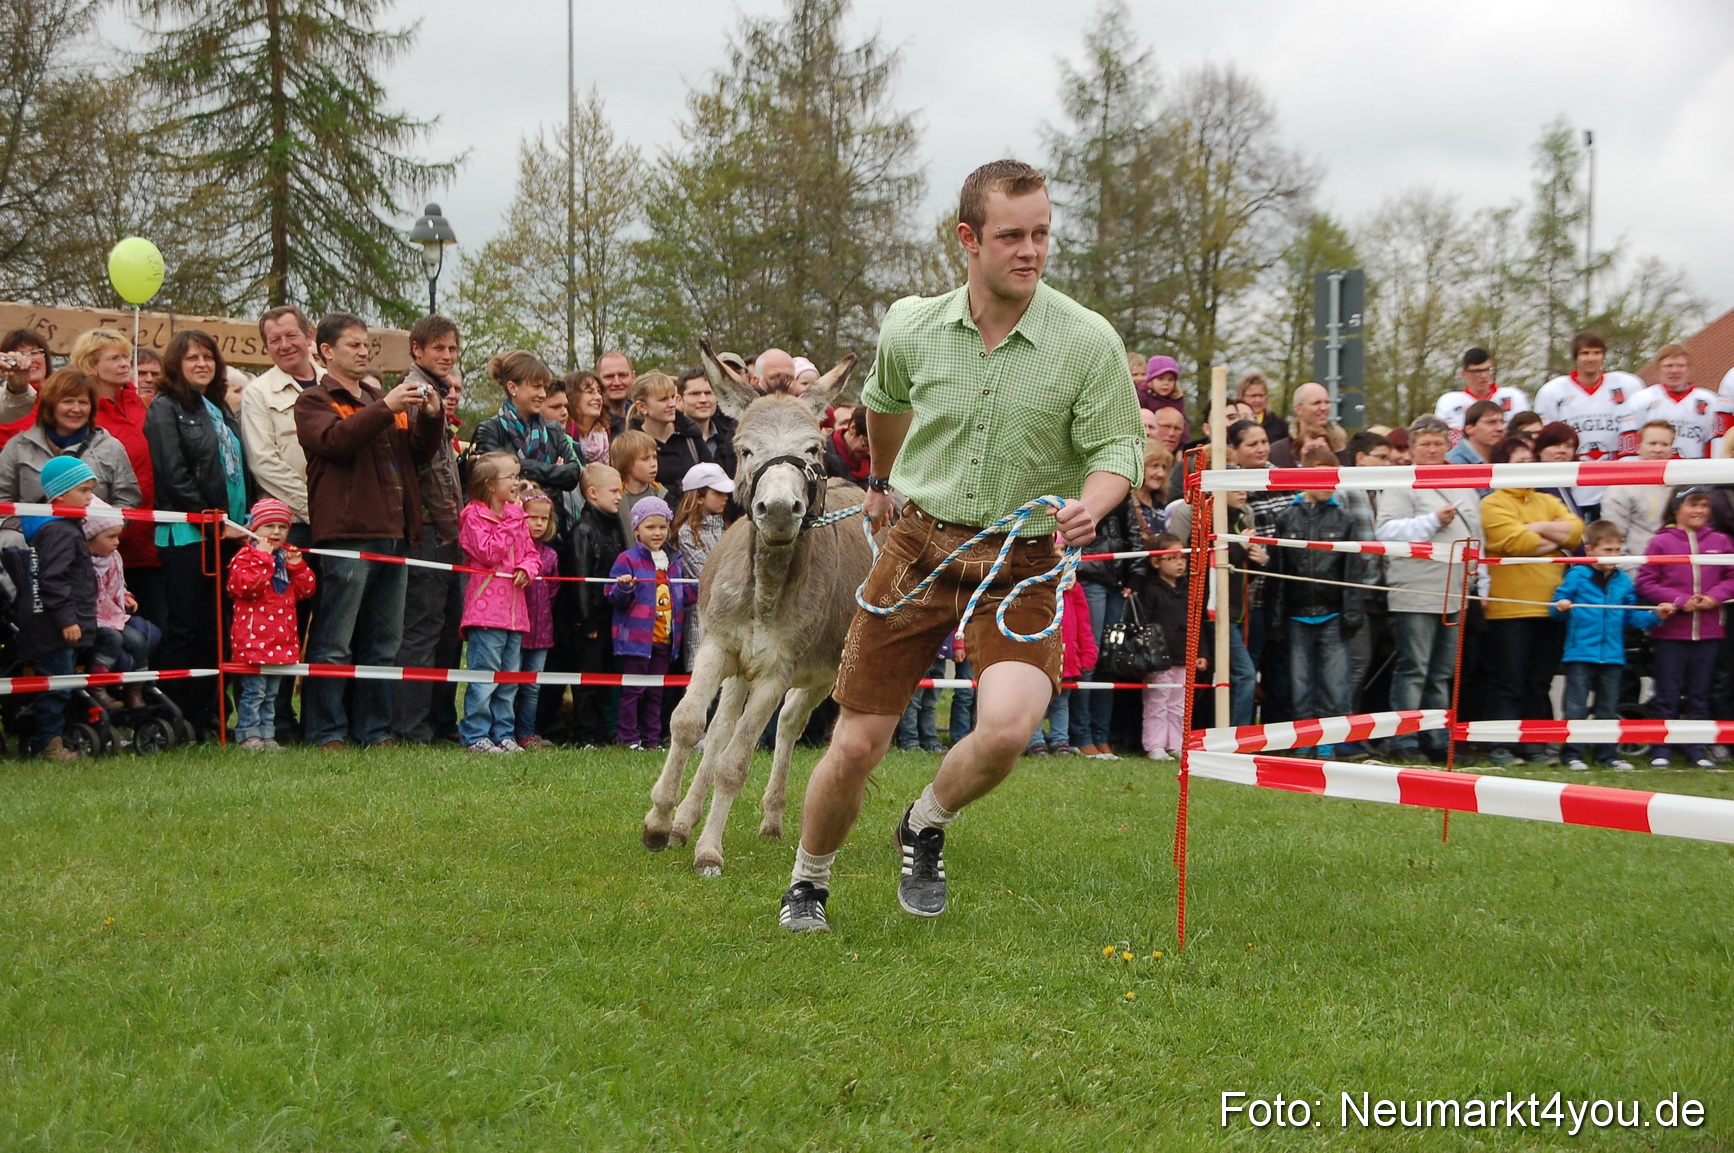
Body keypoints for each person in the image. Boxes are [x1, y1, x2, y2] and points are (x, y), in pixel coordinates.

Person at [778, 159, 1144, 933]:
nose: (1031, 250)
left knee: (1009, 728)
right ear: (968, 239)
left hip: (1026, 556)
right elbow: (883, 403)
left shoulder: (1088, 341)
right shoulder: (912, 324)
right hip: (919, 546)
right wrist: (877, 478)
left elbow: (1118, 447)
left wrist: (1093, 504)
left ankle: (925, 821)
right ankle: (809, 880)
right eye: (1012, 235)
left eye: (1042, 232)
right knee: (855, 746)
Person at [295, 312, 445, 749]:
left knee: (384, 643)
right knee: (335, 641)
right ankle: (326, 732)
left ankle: (375, 731)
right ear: (326, 351)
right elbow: (335, 443)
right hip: (347, 535)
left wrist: (431, 419)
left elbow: (415, 455)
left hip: (394, 532)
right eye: (353, 345)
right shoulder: (314, 400)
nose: (363, 352)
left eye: (367, 346)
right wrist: (386, 407)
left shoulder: (383, 398)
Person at [145, 329, 251, 737]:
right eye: (192, 358)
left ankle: (211, 713)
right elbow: (172, 475)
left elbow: (237, 469)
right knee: (187, 628)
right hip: (191, 537)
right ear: (176, 364)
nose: (202, 364)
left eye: (208, 357)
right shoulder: (165, 408)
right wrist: (210, 520)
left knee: (217, 631)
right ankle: (180, 714)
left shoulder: (218, 408)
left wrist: (244, 520)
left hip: (230, 534)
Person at [240, 306, 326, 735]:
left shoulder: (337, 380)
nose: (285, 345)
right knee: (289, 621)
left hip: (343, 523)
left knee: (332, 626)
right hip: (294, 523)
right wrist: (313, 505)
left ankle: (325, 717)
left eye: (291, 335)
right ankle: (280, 718)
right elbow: (264, 462)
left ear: (309, 335)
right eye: (275, 340)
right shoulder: (259, 393)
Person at [1375, 415, 1481, 763]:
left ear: (1448, 445)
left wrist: (1479, 573)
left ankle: (1437, 739)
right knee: (1414, 667)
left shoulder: (1463, 481)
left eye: (1438, 444)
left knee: (1441, 672)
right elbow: (1386, 531)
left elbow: (1476, 532)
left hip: (1456, 587)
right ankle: (1404, 739)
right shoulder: (1401, 483)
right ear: (1413, 447)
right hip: (1416, 588)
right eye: (1425, 445)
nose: (1432, 450)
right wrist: (1432, 521)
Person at [1479, 435, 1583, 766]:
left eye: (1529, 461)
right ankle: (1500, 745)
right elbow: (1514, 542)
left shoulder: (1547, 499)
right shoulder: (1492, 504)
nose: (1526, 467)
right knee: (1508, 680)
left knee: (1540, 681)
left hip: (1549, 607)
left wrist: (1535, 528)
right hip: (1508, 609)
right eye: (1518, 462)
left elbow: (1577, 532)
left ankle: (1536, 745)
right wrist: (1549, 536)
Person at [392, 317, 466, 745]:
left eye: (452, 349)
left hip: (448, 528)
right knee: (421, 629)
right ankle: (411, 727)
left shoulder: (439, 394)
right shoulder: (413, 392)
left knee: (446, 631)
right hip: (427, 530)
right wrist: (440, 527)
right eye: (438, 348)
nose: (446, 355)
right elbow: (419, 463)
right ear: (417, 350)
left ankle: (440, 722)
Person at [1267, 445, 1364, 757]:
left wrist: (1352, 614)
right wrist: (1276, 617)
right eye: (1321, 477)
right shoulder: (1286, 518)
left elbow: (1352, 572)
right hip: (1296, 616)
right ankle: (1303, 740)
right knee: (1301, 685)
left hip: (1333, 615)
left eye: (1332, 478)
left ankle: (1328, 744)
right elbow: (1279, 573)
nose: (1327, 486)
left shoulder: (1345, 519)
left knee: (1335, 686)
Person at [10, 458, 104, 760]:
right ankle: (47, 744)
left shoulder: (64, 528)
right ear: (60, 496)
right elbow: (52, 580)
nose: (90, 497)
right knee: (57, 686)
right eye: (84, 490)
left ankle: (59, 735)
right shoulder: (59, 531)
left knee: (63, 682)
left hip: (58, 624)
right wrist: (67, 619)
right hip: (53, 627)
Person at [1550, 520, 1663, 771]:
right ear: (1589, 550)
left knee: (1608, 708)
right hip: (1580, 653)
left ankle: (1607, 756)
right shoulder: (1576, 575)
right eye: (1607, 550)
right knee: (1575, 707)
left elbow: (1631, 616)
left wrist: (1656, 615)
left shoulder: (1623, 581)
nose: (1613, 556)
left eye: (1617, 551)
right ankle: (1572, 754)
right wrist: (1561, 606)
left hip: (1612, 655)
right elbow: (1555, 609)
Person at [1637, 488, 1734, 768]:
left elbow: (1731, 575)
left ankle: (1696, 750)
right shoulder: (1661, 543)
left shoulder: (1720, 541)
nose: (1700, 511)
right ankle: (1661, 750)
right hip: (1671, 634)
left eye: (1704, 505)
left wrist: (1714, 597)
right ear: (1677, 508)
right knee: (1666, 694)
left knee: (1699, 694)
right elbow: (1646, 581)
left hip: (1709, 632)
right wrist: (1679, 601)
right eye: (1693, 505)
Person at [71, 327, 160, 625]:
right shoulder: (81, 410)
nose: (125, 364)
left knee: (158, 620)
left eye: (127, 357)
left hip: (151, 532)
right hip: (104, 539)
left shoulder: (143, 404)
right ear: (91, 364)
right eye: (115, 358)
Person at [457, 451, 540, 754]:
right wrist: (511, 520)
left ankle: (503, 732)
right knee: (485, 676)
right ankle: (475, 733)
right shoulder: (473, 516)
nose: (517, 482)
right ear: (490, 484)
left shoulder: (515, 517)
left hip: (515, 614)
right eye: (510, 477)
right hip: (486, 613)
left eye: (517, 475)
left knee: (509, 679)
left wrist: (527, 569)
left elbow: (531, 554)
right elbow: (488, 553)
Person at [227, 497, 317, 751]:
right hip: (254, 639)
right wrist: (263, 559)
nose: (276, 532)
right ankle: (248, 734)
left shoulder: (285, 558)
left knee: (271, 694)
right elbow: (245, 587)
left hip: (281, 641)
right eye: (269, 526)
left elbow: (306, 590)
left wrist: (298, 568)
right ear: (253, 528)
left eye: (282, 526)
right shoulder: (245, 557)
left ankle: (267, 734)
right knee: (253, 692)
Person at [0, 368, 141, 524]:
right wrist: (24, 533)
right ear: (51, 405)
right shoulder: (18, 447)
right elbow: (3, 497)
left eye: (83, 402)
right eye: (68, 401)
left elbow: (127, 500)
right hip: (29, 544)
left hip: (90, 545)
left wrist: (101, 532)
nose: (76, 409)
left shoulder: (110, 447)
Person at [608, 496, 689, 750]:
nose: (657, 533)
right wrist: (624, 588)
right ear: (636, 529)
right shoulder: (628, 559)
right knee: (633, 691)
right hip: (637, 641)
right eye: (650, 527)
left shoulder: (674, 562)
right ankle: (628, 737)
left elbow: (683, 594)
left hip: (665, 639)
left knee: (657, 691)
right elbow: (611, 595)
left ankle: (652, 739)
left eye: (662, 527)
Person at [1534, 331, 1641, 511]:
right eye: (1585, 353)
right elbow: (1545, 441)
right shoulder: (1552, 392)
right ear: (1575, 357)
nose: (1591, 358)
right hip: (1572, 480)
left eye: (1597, 352)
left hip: (1616, 479)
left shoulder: (1627, 385)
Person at [473, 351, 583, 511]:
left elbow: (573, 474)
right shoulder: (490, 430)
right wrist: (554, 472)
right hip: (507, 525)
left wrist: (519, 467)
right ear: (512, 387)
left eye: (544, 388)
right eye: (536, 387)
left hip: (551, 526)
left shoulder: (553, 429)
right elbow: (495, 480)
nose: (543, 394)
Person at [568, 462, 627, 746]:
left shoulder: (614, 526)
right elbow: (580, 578)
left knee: (608, 674)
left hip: (612, 615)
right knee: (588, 677)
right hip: (589, 620)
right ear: (593, 493)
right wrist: (586, 619)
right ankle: (585, 732)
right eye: (613, 491)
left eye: (621, 491)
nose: (619, 496)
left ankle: (606, 729)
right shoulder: (583, 530)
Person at [82, 502, 157, 709]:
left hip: (114, 614)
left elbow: (118, 583)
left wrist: (125, 596)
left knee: (139, 641)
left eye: (117, 535)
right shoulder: (83, 562)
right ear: (89, 538)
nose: (117, 542)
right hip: (92, 617)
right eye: (110, 537)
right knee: (111, 639)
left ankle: (135, 690)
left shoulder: (114, 558)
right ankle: (98, 687)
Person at [1127, 532, 1190, 760]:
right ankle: (1155, 745)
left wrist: (1201, 652)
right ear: (1156, 562)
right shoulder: (1151, 591)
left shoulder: (1187, 590)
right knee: (1157, 701)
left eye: (1182, 557)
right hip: (1159, 659)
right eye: (1172, 558)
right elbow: (1144, 626)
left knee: (1178, 704)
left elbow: (1196, 622)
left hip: (1183, 655)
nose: (1180, 562)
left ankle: (1175, 742)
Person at [515, 487, 560, 751]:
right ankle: (505, 729)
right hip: (516, 627)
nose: (539, 524)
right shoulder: (515, 552)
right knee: (509, 682)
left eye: (544, 519)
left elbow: (553, 591)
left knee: (532, 686)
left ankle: (527, 732)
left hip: (542, 631)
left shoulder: (551, 556)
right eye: (533, 518)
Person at [1025, 579, 1092, 757]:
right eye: (1056, 549)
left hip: (1067, 655)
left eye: (1064, 549)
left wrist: (1087, 651)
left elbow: (1083, 622)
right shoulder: (1032, 583)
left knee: (1062, 702)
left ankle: (1060, 741)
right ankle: (1036, 741)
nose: (1060, 554)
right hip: (1040, 653)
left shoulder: (1074, 588)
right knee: (1037, 700)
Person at [626, 372, 708, 506]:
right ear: (642, 407)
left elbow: (713, 478)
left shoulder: (690, 436)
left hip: (696, 520)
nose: (672, 404)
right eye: (663, 399)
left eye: (673, 397)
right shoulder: (631, 446)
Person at [1630, 344, 1721, 459]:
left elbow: (1713, 441)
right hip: (1654, 470)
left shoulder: (1709, 400)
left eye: (1680, 366)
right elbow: (1633, 440)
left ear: (1689, 368)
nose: (1674, 371)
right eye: (1668, 366)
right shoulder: (1642, 399)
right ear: (1658, 368)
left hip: (1693, 470)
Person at [1602, 420, 1676, 556]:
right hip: (1637, 566)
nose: (1658, 449)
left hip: (1676, 565)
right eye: (1652, 443)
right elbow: (1613, 535)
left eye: (1664, 444)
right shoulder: (1622, 486)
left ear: (1672, 449)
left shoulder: (1680, 484)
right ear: (1639, 447)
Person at [1434, 347, 1528, 439]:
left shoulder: (1513, 396)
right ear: (1464, 373)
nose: (1483, 376)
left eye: (1487, 370)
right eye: (1477, 371)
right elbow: (1441, 436)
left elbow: (1527, 429)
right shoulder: (1449, 401)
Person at [676, 366, 736, 480]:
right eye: (695, 394)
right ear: (679, 400)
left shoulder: (731, 436)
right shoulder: (672, 439)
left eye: (708, 393)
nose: (703, 400)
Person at [1268, 381, 1346, 468]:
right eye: (1316, 403)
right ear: (1298, 409)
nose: (1324, 408)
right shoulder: (1278, 451)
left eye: (1327, 402)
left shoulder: (1342, 448)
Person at [0, 328, 52, 451]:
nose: (29, 361)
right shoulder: (4, 399)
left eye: (34, 353)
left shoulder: (66, 394)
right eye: (20, 355)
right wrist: (17, 388)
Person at [611, 429, 665, 540]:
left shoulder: (662, 495)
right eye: (645, 459)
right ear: (626, 465)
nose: (653, 464)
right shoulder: (615, 500)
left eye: (654, 457)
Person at [565, 369, 611, 466]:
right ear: (572, 397)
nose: (598, 397)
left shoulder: (604, 432)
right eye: (590, 391)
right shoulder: (565, 432)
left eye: (599, 392)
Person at [1446, 399, 1505, 469]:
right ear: (1469, 429)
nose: (1500, 428)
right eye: (1491, 422)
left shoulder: (1505, 456)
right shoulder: (1454, 462)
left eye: (1502, 422)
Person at [824, 406, 871, 487]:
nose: (870, 453)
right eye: (866, 444)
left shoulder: (875, 471)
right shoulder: (822, 453)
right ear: (853, 428)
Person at [1138, 355, 1187, 434]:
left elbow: (1183, 426)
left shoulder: (1176, 400)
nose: (1166, 383)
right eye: (1160, 379)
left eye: (1170, 379)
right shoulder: (1142, 396)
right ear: (1151, 380)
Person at [1236, 371, 1287, 441]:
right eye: (1253, 396)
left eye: (1261, 395)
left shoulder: (1280, 425)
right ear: (1242, 396)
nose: (1258, 400)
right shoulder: (1233, 423)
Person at [596, 350, 636, 430]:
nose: (617, 383)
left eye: (622, 375)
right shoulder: (590, 425)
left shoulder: (645, 421)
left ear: (633, 377)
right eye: (609, 376)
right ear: (597, 381)